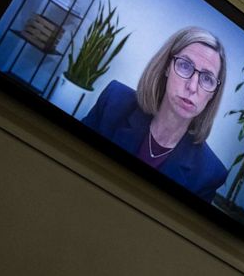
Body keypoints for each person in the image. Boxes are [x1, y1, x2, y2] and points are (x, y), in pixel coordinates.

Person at [82, 27, 228, 203]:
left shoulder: (209, 173)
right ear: (167, 67)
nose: (192, 87)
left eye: (207, 79)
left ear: (213, 93)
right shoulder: (113, 102)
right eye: (184, 65)